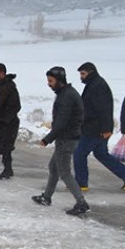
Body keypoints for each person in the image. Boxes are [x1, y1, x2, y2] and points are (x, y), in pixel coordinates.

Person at [32, 67, 90, 216]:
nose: (49, 84)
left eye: (51, 81)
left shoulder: (67, 96)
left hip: (67, 138)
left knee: (64, 172)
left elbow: (62, 122)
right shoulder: (65, 94)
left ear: (59, 80)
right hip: (66, 137)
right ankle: (47, 197)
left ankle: (81, 203)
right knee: (54, 167)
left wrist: (47, 139)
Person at [73, 62, 125, 191]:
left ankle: (81, 184)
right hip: (96, 128)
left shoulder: (98, 86)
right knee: (101, 154)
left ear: (91, 72)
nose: (81, 77)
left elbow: (104, 109)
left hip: (95, 129)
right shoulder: (93, 84)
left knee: (79, 154)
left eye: (83, 74)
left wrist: (106, 129)